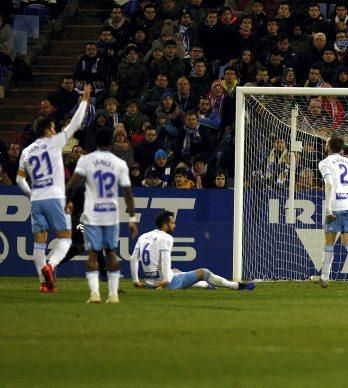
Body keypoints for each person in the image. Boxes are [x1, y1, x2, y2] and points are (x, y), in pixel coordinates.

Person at [16, 86, 91, 292]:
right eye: (53, 127)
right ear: (48, 130)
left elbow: (19, 179)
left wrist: (31, 193)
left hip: (36, 199)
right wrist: (84, 100)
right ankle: (51, 265)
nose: (56, 130)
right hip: (55, 197)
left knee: (39, 243)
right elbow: (76, 123)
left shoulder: (26, 151)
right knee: (65, 238)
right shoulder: (55, 142)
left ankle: (43, 284)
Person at [66, 127, 138, 304]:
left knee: (92, 254)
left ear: (96, 142)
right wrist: (132, 218)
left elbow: (71, 185)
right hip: (111, 214)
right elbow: (127, 192)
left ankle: (95, 294)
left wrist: (67, 201)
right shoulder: (119, 163)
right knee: (111, 253)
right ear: (112, 143)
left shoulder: (86, 160)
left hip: (92, 214)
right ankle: (113, 294)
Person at [131, 210, 255, 290]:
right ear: (165, 225)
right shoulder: (166, 237)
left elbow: (133, 259)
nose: (175, 225)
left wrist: (136, 281)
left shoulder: (143, 236)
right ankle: (236, 286)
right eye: (173, 223)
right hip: (165, 284)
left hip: (150, 283)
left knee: (175, 270)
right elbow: (165, 259)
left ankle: (207, 286)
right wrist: (165, 281)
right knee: (204, 272)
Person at [308, 136, 348, 289]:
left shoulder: (324, 162)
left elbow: (328, 183)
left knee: (329, 242)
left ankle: (325, 278)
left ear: (328, 146)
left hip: (335, 206)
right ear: (341, 148)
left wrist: (328, 207)